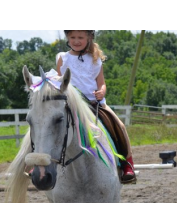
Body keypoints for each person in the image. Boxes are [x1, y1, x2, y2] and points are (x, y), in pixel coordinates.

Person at [56, 30, 136, 183]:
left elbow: (102, 83)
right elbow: (61, 82)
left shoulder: (95, 59)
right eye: (72, 37)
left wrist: (102, 92)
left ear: (89, 38)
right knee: (47, 121)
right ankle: (35, 162)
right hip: (71, 104)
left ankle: (127, 164)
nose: (76, 41)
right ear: (68, 38)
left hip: (94, 103)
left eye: (80, 37)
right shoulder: (62, 58)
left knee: (120, 125)